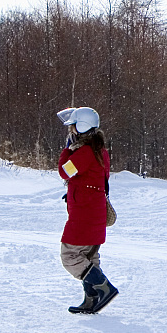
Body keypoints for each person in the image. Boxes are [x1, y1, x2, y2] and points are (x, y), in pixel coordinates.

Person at [57, 106, 119, 314]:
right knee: (89, 256)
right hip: (93, 213)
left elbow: (65, 172)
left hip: (84, 214)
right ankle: (91, 300)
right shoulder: (98, 150)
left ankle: (104, 287)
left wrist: (67, 150)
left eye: (73, 127)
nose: (71, 131)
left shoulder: (84, 153)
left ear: (81, 127)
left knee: (70, 255)